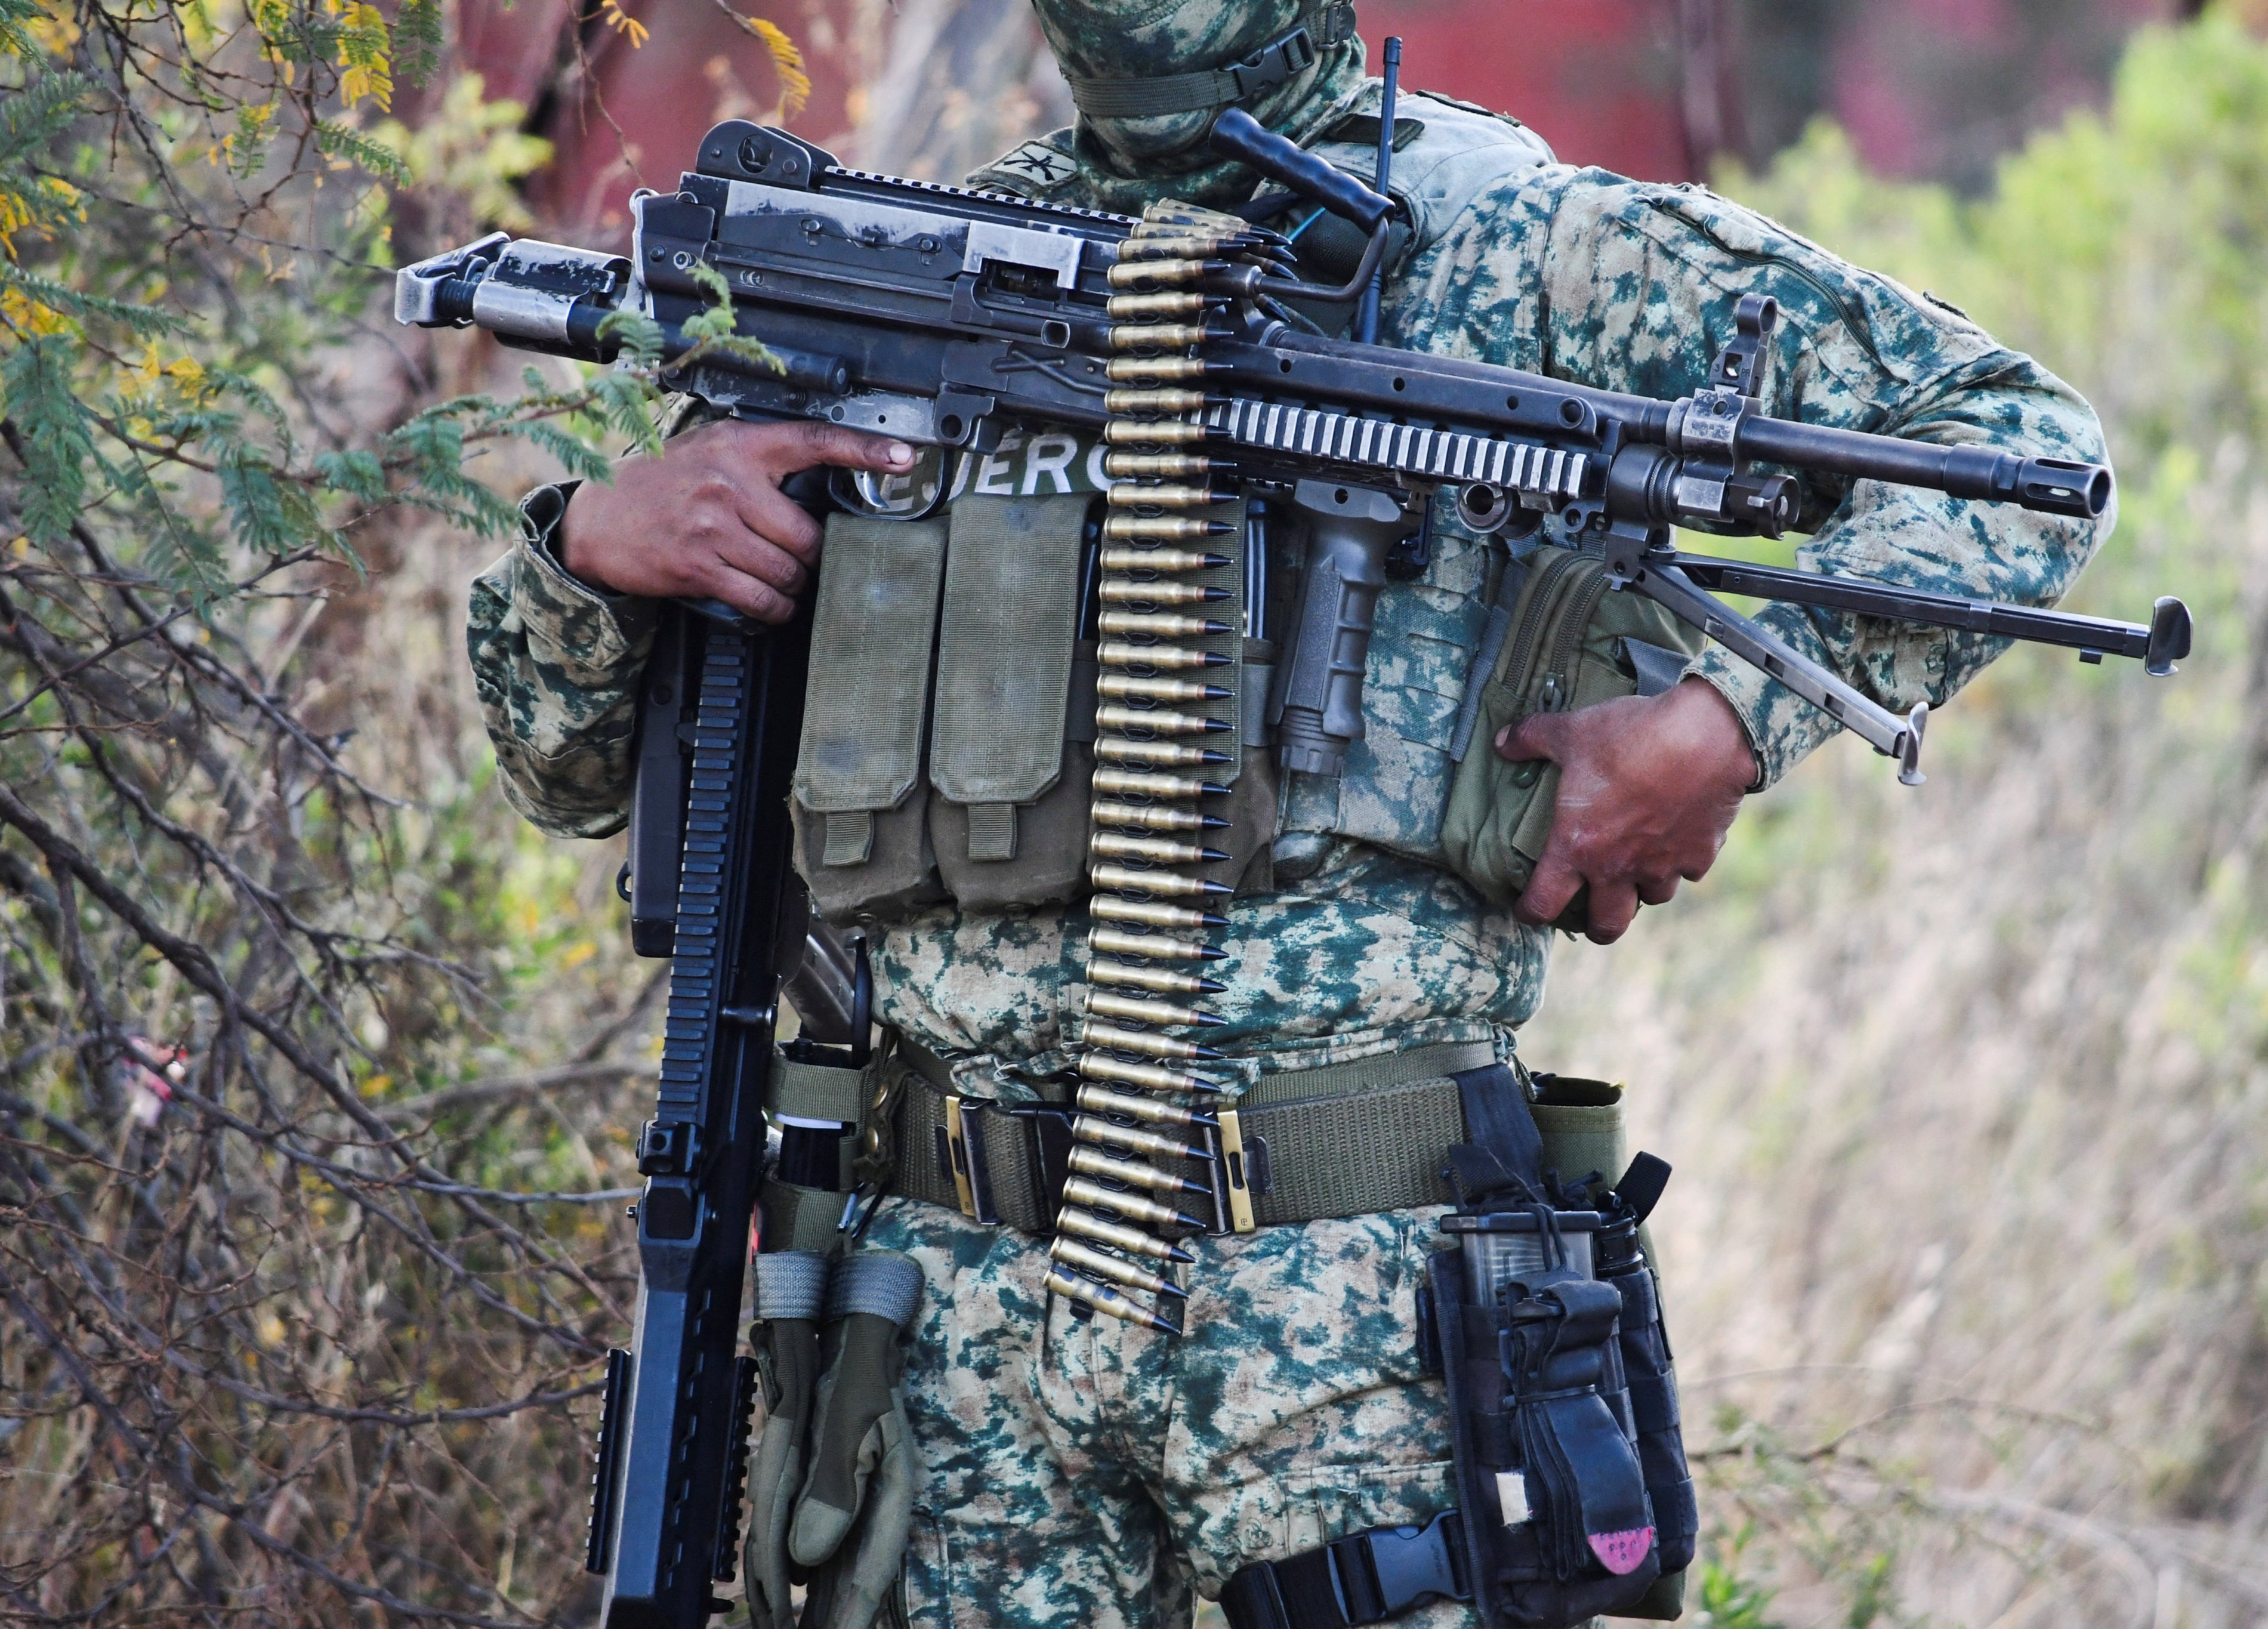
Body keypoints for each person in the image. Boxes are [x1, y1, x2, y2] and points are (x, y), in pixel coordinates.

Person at [464, 3, 2110, 1624]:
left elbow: (2023, 451)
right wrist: (603, 543)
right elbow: (565, 766)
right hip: (950, 1315)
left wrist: (1724, 720)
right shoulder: (911, 268)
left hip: (1357, 1312)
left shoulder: (1525, 245)